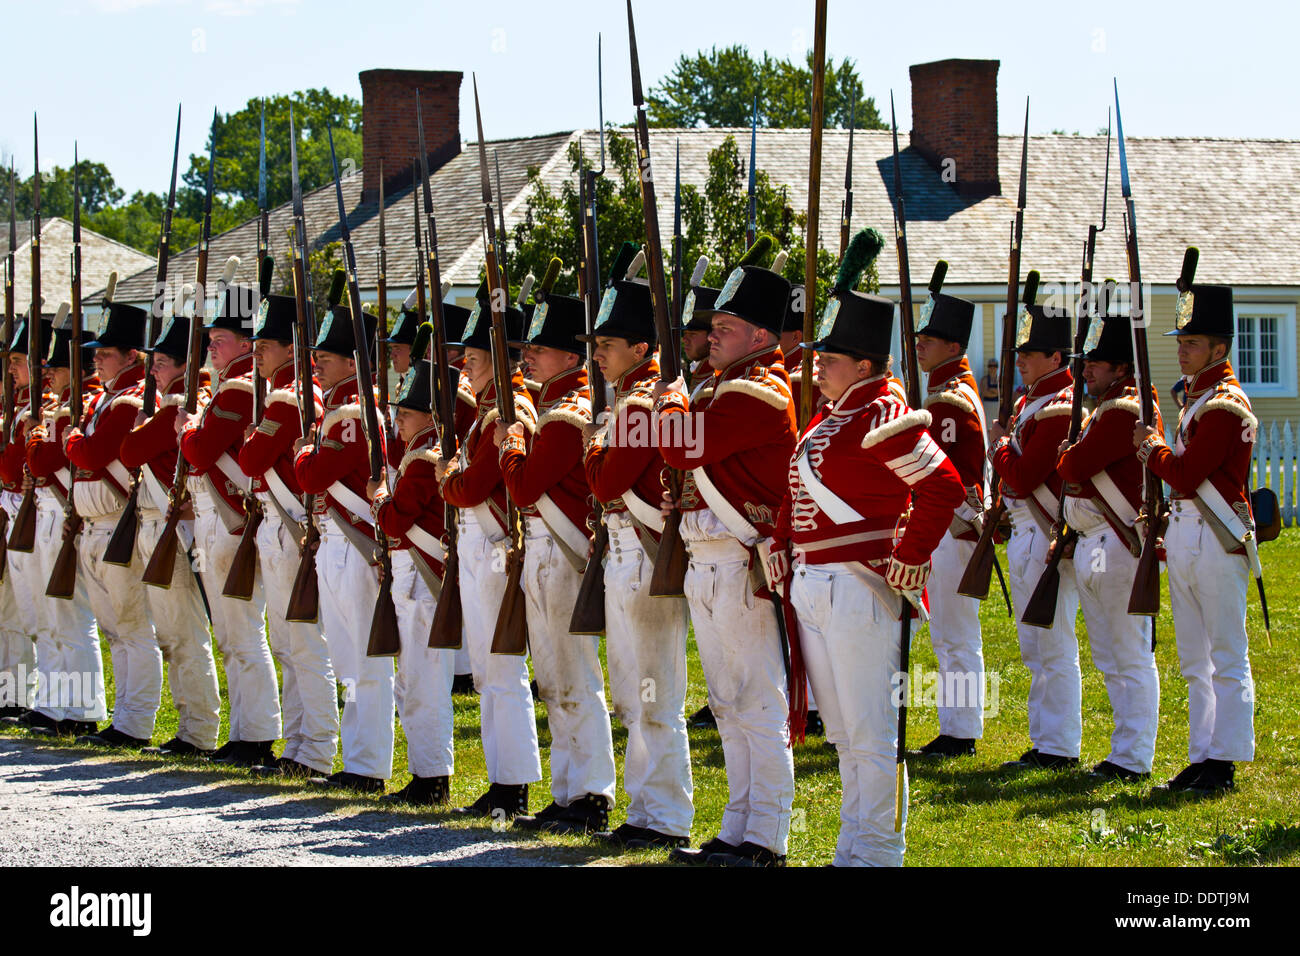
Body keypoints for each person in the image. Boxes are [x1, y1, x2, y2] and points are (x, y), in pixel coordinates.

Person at [769, 263, 964, 866]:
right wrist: (780, 542)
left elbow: (944, 487)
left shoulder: (882, 415)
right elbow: (795, 494)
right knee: (846, 735)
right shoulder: (834, 418)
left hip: (861, 587)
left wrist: (909, 557)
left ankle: (878, 853)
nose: (815, 365)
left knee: (874, 734)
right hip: (814, 584)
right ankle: (853, 847)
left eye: (830, 358)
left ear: (863, 366)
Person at [654, 263, 797, 867]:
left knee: (758, 704)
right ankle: (736, 827)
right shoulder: (716, 388)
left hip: (742, 559)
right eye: (713, 325)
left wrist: (670, 405)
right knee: (727, 704)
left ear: (761, 337)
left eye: (727, 326)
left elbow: (679, 443)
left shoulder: (758, 389)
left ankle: (766, 837)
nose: (711, 335)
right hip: (706, 558)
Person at [496, 290, 617, 834]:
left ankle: (592, 793)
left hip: (563, 553)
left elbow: (521, 488)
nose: (527, 358)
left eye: (539, 350)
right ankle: (567, 790)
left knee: (574, 677)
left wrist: (512, 442)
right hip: (544, 551)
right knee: (553, 680)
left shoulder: (567, 418)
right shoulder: (553, 410)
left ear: (571, 358)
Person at [582, 277, 694, 850]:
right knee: (635, 694)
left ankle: (666, 816)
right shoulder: (627, 402)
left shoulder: (638, 404)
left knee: (654, 695)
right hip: (626, 556)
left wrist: (596, 442)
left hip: (644, 557)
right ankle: (645, 809)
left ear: (643, 350)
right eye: (596, 343)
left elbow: (604, 482)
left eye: (608, 344)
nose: (597, 353)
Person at [1133, 283, 1256, 794]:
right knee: (1194, 658)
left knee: (1225, 653)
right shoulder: (1200, 399)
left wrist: (1152, 450)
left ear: (1219, 349)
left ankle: (1224, 760)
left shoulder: (1224, 405)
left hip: (1214, 535)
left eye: (1193, 342)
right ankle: (1202, 754)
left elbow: (1186, 474)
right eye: (1181, 341)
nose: (1181, 349)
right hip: (1187, 534)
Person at [435, 286, 542, 818]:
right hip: (480, 546)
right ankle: (503, 779)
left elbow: (472, 486)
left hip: (496, 545)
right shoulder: (486, 409)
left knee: (501, 670)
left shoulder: (509, 406)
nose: (464, 369)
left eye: (473, 360)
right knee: (486, 671)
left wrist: (447, 475)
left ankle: (513, 785)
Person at [177, 283, 282, 766]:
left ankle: (257, 735)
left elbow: (198, 451)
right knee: (231, 633)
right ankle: (245, 730)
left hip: (230, 520)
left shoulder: (240, 388)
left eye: (221, 338)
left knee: (242, 631)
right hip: (214, 519)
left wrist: (188, 430)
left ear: (245, 344)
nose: (211, 346)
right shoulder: (223, 386)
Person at [293, 303, 394, 794]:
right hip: (332, 540)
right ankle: (357, 758)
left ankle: (369, 764)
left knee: (363, 659)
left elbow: (312, 474)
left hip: (353, 542)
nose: (317, 365)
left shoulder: (355, 413)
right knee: (346, 659)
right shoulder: (336, 409)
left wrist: (305, 453)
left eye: (328, 358)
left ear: (353, 364)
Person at [1057, 308, 1161, 780]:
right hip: (1095, 543)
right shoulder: (1106, 410)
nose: (1085, 370)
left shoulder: (1124, 411)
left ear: (1122, 368)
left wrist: (1071, 459)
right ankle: (1124, 751)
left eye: (1096, 363)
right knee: (1109, 655)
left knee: (1129, 653)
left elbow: (1073, 469)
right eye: (1085, 362)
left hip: (1117, 542)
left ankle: (1134, 757)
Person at [239, 293, 339, 779]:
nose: (255, 352)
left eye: (265, 344)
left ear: (289, 348)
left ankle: (315, 748)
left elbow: (252, 461)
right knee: (288, 643)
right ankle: (299, 745)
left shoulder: (287, 396)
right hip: (278, 524)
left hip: (286, 526)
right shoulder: (286, 393)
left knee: (302, 643)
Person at [118, 309, 222, 757]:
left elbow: (129, 450)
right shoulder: (167, 406)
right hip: (160, 525)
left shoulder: (178, 407)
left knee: (183, 634)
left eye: (161, 362)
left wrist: (145, 426)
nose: (152, 370)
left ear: (184, 365)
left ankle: (198, 732)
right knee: (173, 634)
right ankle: (191, 728)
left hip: (172, 531)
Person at [987, 300, 1081, 770]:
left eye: (1031, 351)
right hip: (1025, 531)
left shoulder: (1058, 408)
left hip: (1045, 533)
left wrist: (999, 445)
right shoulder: (1032, 403)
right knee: (1033, 647)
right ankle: (1045, 739)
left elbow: (1025, 476)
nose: (1020, 359)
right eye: (1020, 351)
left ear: (1057, 359)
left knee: (1054, 644)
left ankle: (1060, 745)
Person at [64, 302, 159, 748]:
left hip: (118, 523)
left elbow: (91, 455)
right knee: (113, 631)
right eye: (97, 353)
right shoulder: (103, 399)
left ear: (131, 356)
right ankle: (123, 717)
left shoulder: (129, 400)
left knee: (132, 628)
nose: (96, 359)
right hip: (93, 525)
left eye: (106, 352)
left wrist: (73, 438)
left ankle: (135, 722)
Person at [371, 352, 457, 806]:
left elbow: (395, 519)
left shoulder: (424, 459)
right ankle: (425, 771)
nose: (397, 420)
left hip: (422, 581)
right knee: (412, 681)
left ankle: (433, 776)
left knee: (423, 681)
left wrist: (378, 498)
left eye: (405, 413)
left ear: (428, 414)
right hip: (412, 579)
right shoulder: (417, 453)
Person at [911, 290, 988, 757]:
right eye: (921, 335)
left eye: (931, 337)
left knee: (955, 635)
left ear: (954, 346)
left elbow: (939, 473)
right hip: (946, 526)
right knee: (950, 634)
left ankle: (960, 733)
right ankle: (957, 729)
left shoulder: (949, 402)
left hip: (952, 527)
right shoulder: (945, 394)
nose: (920, 344)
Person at [21, 319, 102, 736]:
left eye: (57, 366)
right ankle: (55, 704)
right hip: (53, 513)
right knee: (52, 618)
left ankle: (83, 710)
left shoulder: (78, 408)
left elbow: (38, 462)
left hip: (66, 515)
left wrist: (37, 434)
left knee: (72, 619)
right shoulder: (68, 407)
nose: (48, 374)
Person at [0, 316, 49, 726]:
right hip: (17, 511)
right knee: (12, 614)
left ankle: (37, 700)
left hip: (32, 512)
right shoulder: (15, 408)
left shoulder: (40, 410)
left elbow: (12, 470)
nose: (11, 369)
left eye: (18, 361)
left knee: (37, 615)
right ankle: (12, 696)